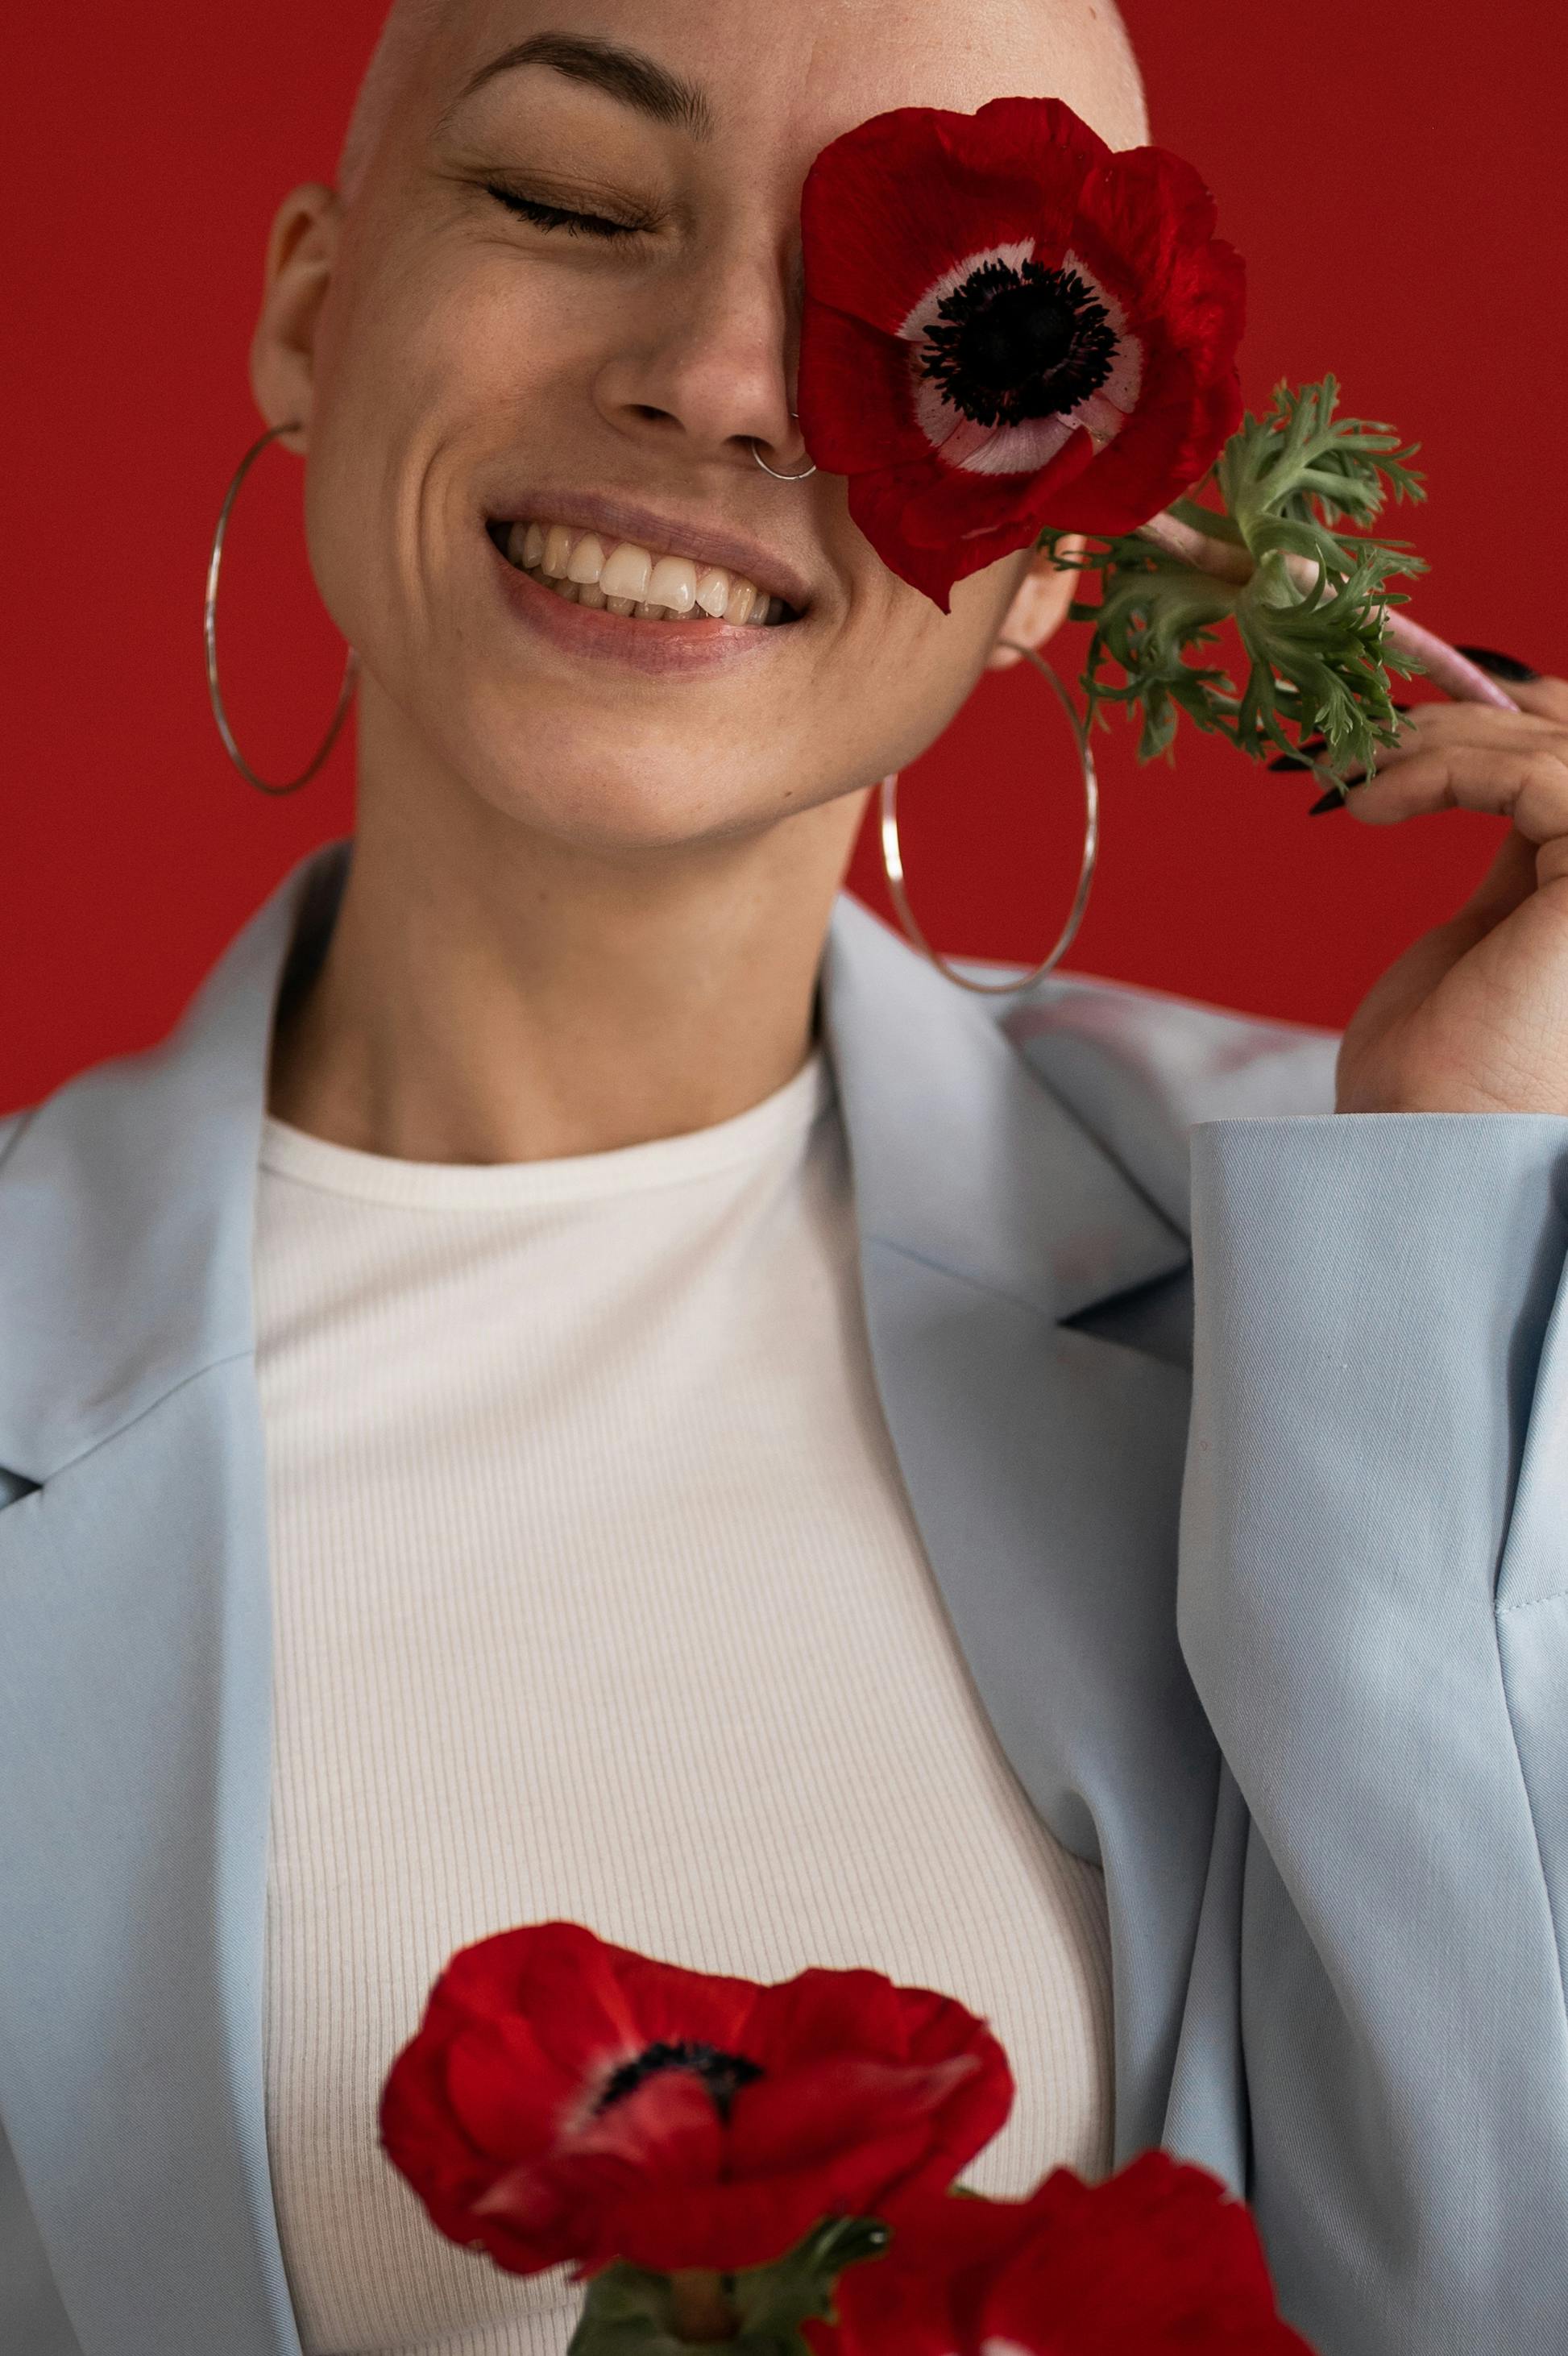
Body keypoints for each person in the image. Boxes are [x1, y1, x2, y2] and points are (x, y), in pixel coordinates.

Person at [2, 4, 1566, 2354]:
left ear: (1071, 545)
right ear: (317, 312)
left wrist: (1468, 1207)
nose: (723, 382)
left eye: (958, 324)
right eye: (563, 201)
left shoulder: (1392, 1261)